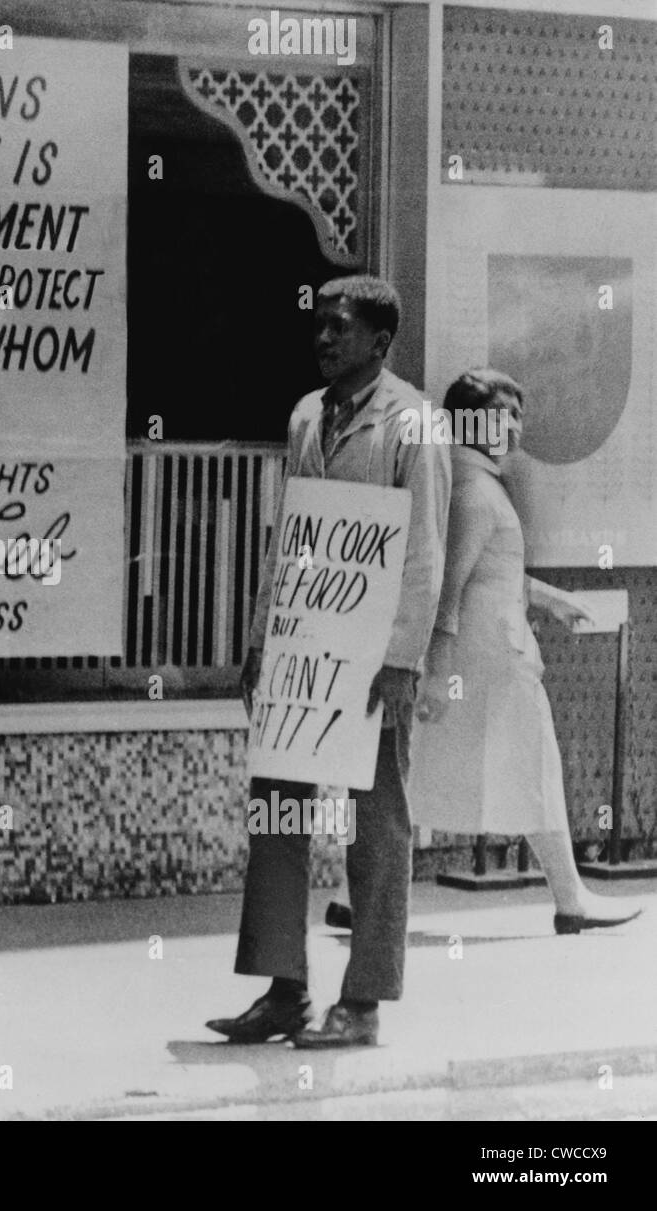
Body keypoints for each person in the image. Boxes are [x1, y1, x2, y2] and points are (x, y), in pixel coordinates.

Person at [207, 276, 451, 1048]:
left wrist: (403, 657)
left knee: (374, 822)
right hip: (304, 651)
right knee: (278, 810)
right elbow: (291, 535)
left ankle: (365, 1000)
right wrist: (260, 639)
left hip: (374, 657)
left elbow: (423, 553)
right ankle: (285, 989)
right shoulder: (307, 415)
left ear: (380, 343)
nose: (322, 338)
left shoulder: (416, 425)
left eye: (339, 328)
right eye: (318, 326)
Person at [405, 369, 643, 933]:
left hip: (479, 661)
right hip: (487, 663)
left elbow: (489, 572)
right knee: (533, 770)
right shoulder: (474, 490)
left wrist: (549, 596)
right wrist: (435, 673)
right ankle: (571, 901)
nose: (515, 427)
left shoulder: (468, 482)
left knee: (416, 775)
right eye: (504, 413)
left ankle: (353, 894)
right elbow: (448, 587)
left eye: (517, 415)